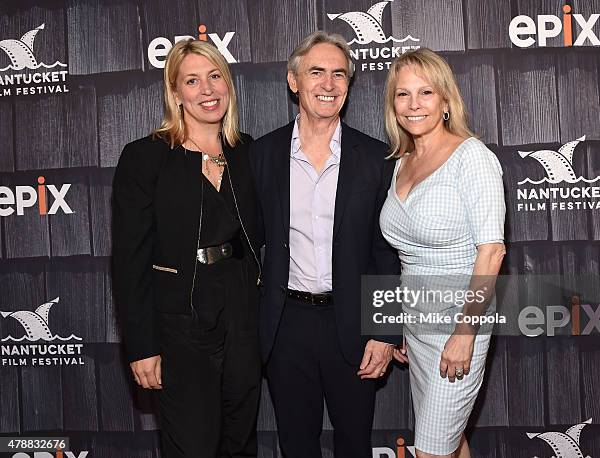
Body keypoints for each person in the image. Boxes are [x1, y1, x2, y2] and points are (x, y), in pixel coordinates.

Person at [249, 31, 400, 458]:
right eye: (316, 72)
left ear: (349, 87)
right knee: (297, 445)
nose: (328, 84)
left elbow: (386, 253)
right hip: (285, 325)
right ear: (294, 81)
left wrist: (385, 330)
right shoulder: (261, 156)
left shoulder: (376, 158)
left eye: (339, 74)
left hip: (351, 322)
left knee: (355, 443)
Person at [112, 39, 262, 458]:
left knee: (240, 442)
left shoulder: (248, 152)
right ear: (175, 93)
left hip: (243, 316)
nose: (207, 90)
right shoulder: (146, 158)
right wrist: (141, 347)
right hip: (180, 322)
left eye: (215, 77)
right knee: (192, 446)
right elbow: (129, 261)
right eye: (192, 81)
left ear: (228, 84)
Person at [379, 48, 506, 458]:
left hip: (459, 323)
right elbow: (407, 257)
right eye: (403, 94)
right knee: (450, 443)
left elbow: (491, 253)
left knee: (431, 451)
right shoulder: (402, 163)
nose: (413, 104)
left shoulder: (472, 158)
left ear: (446, 101)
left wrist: (466, 333)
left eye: (426, 93)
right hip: (417, 325)